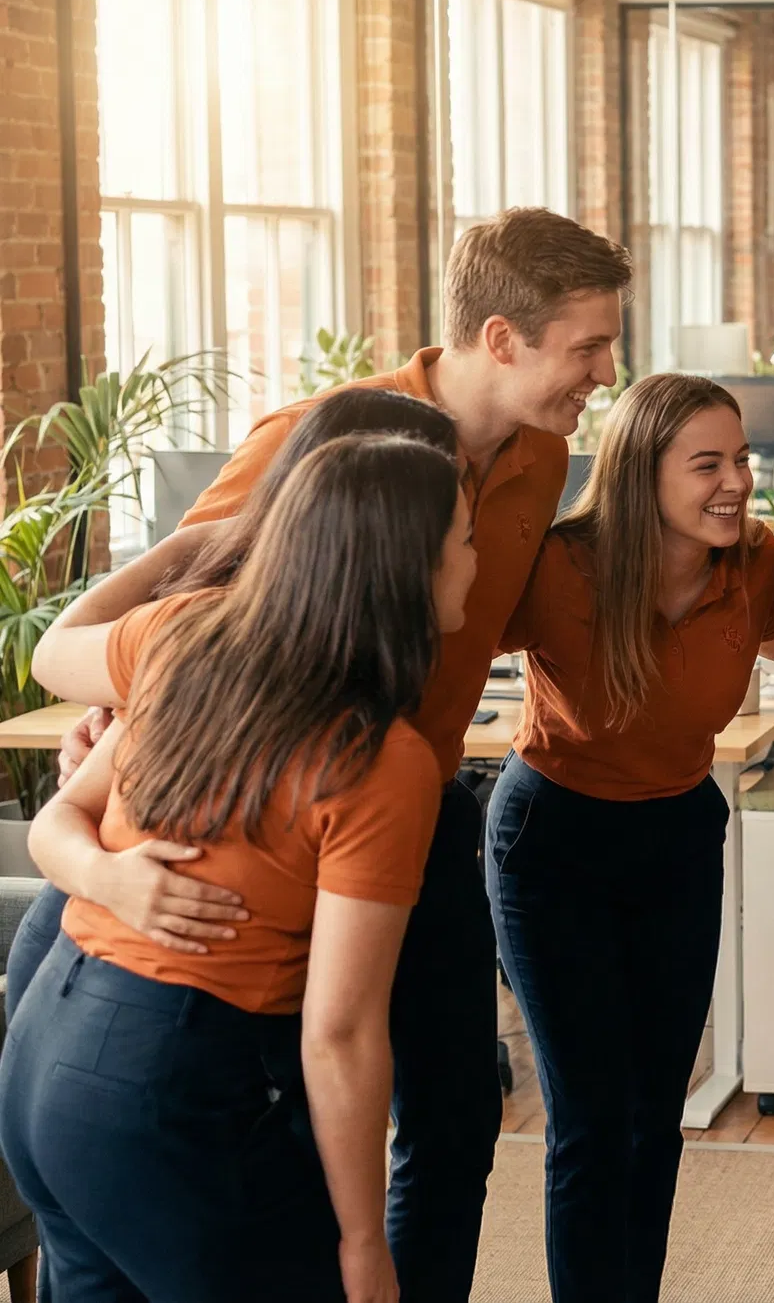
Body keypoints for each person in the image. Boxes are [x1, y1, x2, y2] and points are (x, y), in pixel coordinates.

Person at [43, 207, 632, 1301]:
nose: (608, 368)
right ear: (503, 338)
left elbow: (502, 621)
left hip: (409, 801)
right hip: (260, 817)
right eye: (590, 345)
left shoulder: (547, 458)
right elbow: (197, 603)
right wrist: (120, 733)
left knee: (455, 1111)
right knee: (283, 1087)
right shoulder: (321, 436)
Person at [1, 433, 474, 1303]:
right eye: (464, 542)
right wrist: (366, 1245)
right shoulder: (379, 758)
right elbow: (340, 1035)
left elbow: (58, 819)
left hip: (46, 1058)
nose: (476, 566)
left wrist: (105, 879)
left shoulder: (190, 640)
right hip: (168, 1088)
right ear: (407, 568)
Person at [7, 390, 461, 1014]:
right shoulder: (219, 624)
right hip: (113, 940)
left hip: (133, 953)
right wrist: (188, 541)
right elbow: (58, 672)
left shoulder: (339, 627)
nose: (458, 514)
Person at [486, 374, 774, 1302]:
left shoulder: (755, 564)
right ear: (639, 475)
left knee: (656, 1119)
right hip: (553, 844)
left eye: (740, 458)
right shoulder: (559, 565)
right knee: (590, 1121)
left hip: (677, 839)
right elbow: (429, 636)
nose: (736, 480)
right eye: (707, 464)